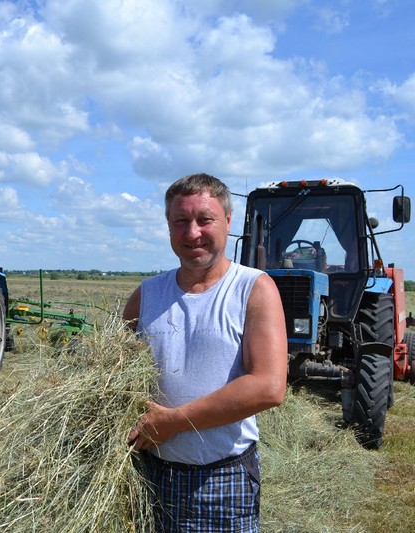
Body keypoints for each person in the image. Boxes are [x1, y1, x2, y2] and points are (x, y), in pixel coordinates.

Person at [122, 173, 287, 532]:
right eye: (180, 221)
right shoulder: (147, 294)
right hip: (149, 476)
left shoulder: (253, 289)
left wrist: (173, 421)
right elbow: (114, 373)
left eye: (205, 219)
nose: (192, 232)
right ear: (168, 226)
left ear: (228, 221)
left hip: (222, 481)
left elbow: (269, 386)